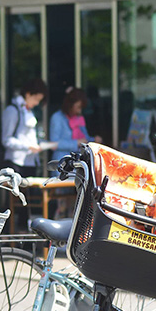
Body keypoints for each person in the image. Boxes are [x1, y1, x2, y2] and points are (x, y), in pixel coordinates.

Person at [49, 87, 96, 218]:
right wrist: (75, 143)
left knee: (75, 203)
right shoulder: (57, 118)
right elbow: (54, 143)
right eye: (78, 107)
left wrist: (93, 140)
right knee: (61, 203)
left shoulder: (79, 119)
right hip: (63, 165)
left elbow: (84, 138)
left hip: (77, 167)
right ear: (70, 104)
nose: (79, 111)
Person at [1, 78, 50, 178]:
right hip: (16, 162)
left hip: (30, 162)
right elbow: (6, 139)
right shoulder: (13, 110)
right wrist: (27, 146)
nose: (37, 103)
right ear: (28, 94)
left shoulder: (28, 111)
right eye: (36, 99)